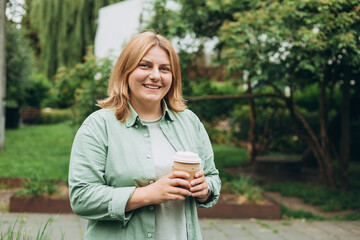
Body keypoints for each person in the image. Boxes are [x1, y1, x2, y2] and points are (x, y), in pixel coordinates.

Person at [68, 31, 221, 240]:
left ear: (173, 76)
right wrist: (148, 194)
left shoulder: (190, 122)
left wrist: (205, 190)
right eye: (145, 65)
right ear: (126, 71)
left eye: (164, 69)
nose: (156, 75)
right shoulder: (98, 126)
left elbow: (212, 177)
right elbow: (82, 197)